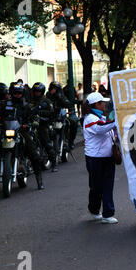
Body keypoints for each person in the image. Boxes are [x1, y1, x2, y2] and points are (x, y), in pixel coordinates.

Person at [0, 84, 45, 192]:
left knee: (33, 153)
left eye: (19, 93)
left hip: (21, 130)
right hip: (6, 131)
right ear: (11, 93)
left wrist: (34, 121)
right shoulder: (5, 104)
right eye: (15, 93)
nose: (17, 95)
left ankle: (39, 180)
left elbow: (34, 115)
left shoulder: (26, 105)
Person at [83, 92, 118, 224]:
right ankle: (94, 210)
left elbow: (107, 130)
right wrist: (116, 122)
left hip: (107, 157)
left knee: (107, 186)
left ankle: (108, 214)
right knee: (96, 186)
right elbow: (100, 129)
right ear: (97, 104)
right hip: (95, 158)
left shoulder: (101, 117)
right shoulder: (90, 119)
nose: (105, 104)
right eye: (102, 102)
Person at [30, 82, 58, 172]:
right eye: (35, 91)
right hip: (31, 124)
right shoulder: (30, 101)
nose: (36, 93)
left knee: (47, 144)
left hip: (42, 124)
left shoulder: (46, 101)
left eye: (38, 91)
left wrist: (39, 113)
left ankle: (54, 164)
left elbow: (51, 112)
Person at [46, 81, 77, 150]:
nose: (53, 90)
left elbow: (68, 104)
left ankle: (70, 142)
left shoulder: (61, 96)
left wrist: (61, 99)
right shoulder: (47, 96)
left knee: (73, 123)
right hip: (49, 118)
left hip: (60, 117)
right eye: (52, 88)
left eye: (55, 88)